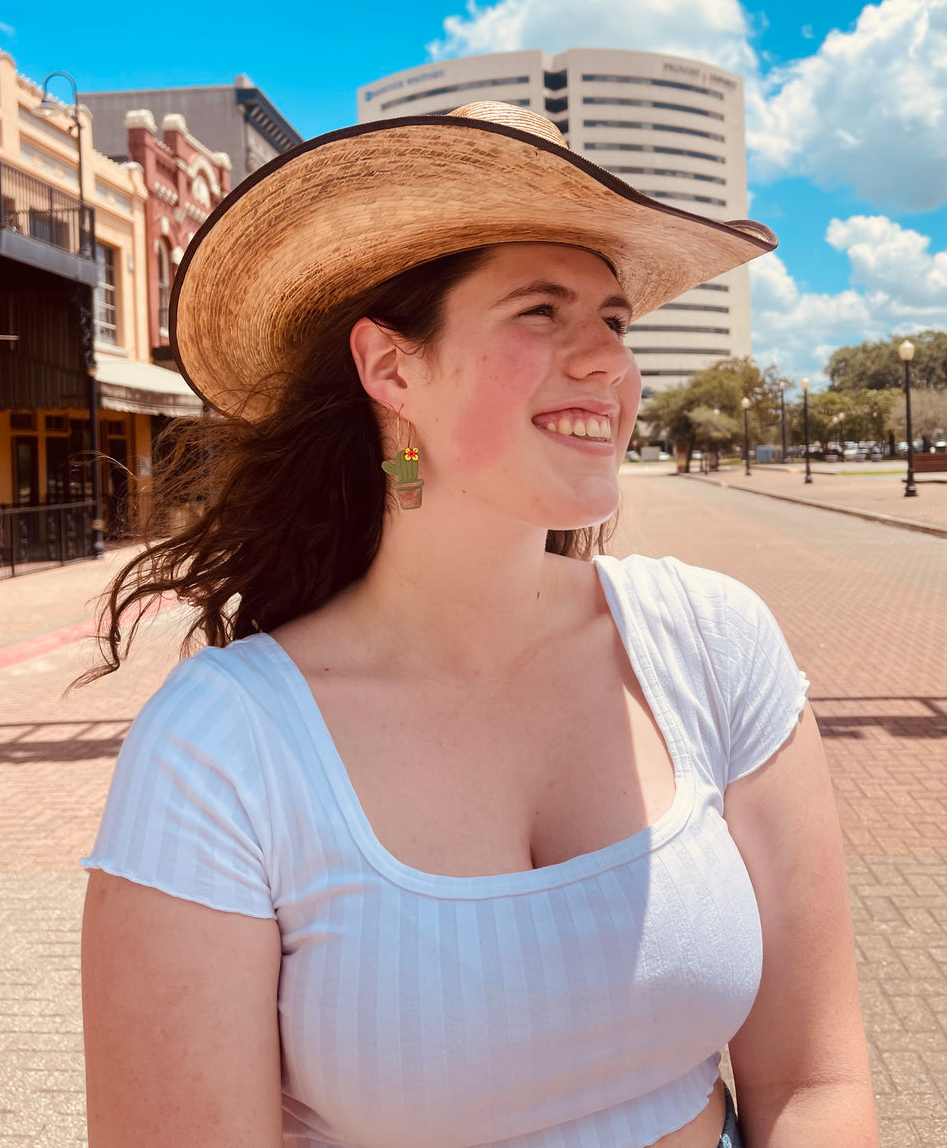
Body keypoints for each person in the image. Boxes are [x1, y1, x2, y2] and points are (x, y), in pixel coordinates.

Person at [77, 102, 879, 1148]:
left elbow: (814, 1084)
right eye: (541, 312)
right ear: (391, 367)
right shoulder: (224, 748)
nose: (607, 362)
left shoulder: (712, 646)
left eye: (615, 319)